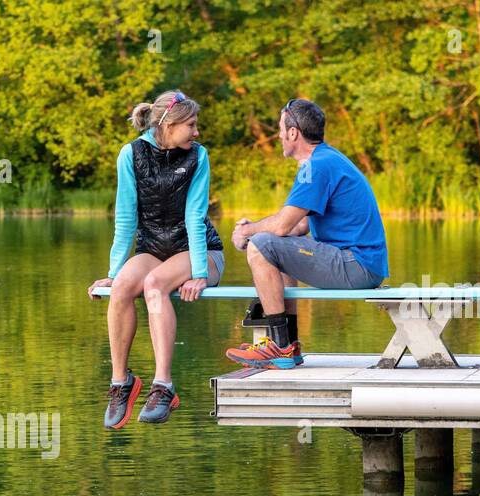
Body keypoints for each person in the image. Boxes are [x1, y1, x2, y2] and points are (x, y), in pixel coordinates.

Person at [87, 90, 226, 427]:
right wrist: (114, 272)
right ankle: (121, 382)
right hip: (154, 249)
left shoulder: (198, 156)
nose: (196, 132)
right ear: (169, 123)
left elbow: (195, 217)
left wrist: (198, 272)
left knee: (154, 284)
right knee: (121, 288)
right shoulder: (130, 155)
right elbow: (125, 218)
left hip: (201, 252)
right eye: (191, 125)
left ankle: (163, 385)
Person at [225, 98, 389, 370]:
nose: (278, 135)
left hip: (356, 264)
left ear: (293, 132)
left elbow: (281, 226)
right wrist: (257, 228)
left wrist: (247, 231)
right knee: (275, 245)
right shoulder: (326, 159)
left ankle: (278, 346)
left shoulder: (316, 166)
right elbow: (298, 226)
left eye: (280, 129)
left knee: (260, 244)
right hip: (362, 264)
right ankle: (288, 343)